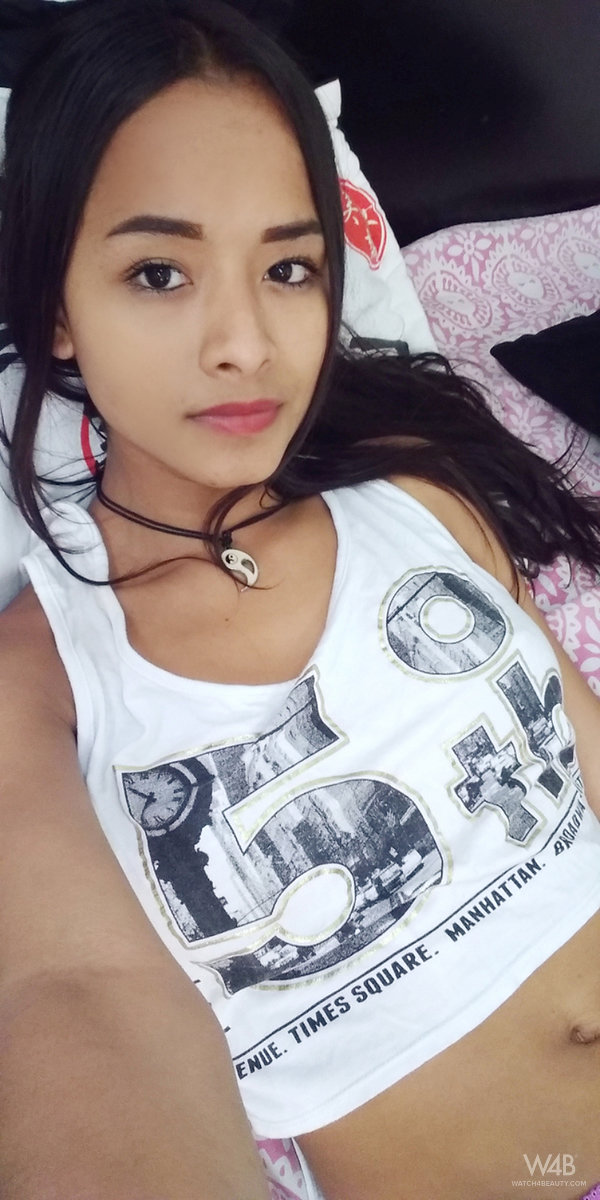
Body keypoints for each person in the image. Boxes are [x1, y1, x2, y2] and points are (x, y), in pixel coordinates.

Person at [0, 1, 599, 1197]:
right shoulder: (39, 689)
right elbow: (72, 991)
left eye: (289, 268)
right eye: (159, 272)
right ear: (58, 309)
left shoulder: (422, 488)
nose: (247, 343)